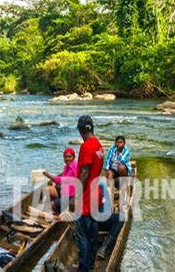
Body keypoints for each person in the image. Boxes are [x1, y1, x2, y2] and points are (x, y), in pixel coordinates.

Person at [74, 115, 104, 272]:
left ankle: (84, 268)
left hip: (85, 199)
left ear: (80, 130)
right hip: (96, 195)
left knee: (81, 237)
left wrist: (76, 195)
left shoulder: (86, 147)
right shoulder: (98, 145)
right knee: (92, 234)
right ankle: (90, 264)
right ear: (91, 127)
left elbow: (85, 172)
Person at [43, 147, 78, 213]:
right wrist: (54, 178)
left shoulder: (75, 166)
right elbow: (62, 174)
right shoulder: (67, 166)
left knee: (51, 205)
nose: (67, 159)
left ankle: (60, 210)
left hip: (72, 195)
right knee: (48, 189)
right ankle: (58, 204)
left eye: (69, 157)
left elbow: (63, 180)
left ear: (74, 157)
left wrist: (49, 176)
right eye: (65, 157)